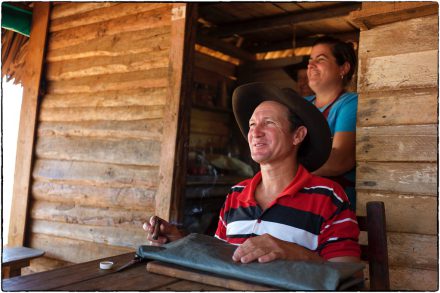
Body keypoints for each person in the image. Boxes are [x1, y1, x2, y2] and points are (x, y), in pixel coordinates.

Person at [143, 82, 360, 264]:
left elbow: (347, 275)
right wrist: (180, 241)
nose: (255, 132)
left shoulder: (328, 197)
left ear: (298, 136)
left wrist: (294, 253)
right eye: (252, 124)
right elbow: (221, 257)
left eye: (269, 123)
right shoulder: (236, 194)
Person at [305, 36, 358, 209]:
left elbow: (340, 160)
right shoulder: (301, 104)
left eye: (320, 59)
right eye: (310, 60)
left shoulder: (350, 103)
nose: (310, 65)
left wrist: (285, 164)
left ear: (343, 68)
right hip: (301, 197)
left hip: (334, 203)